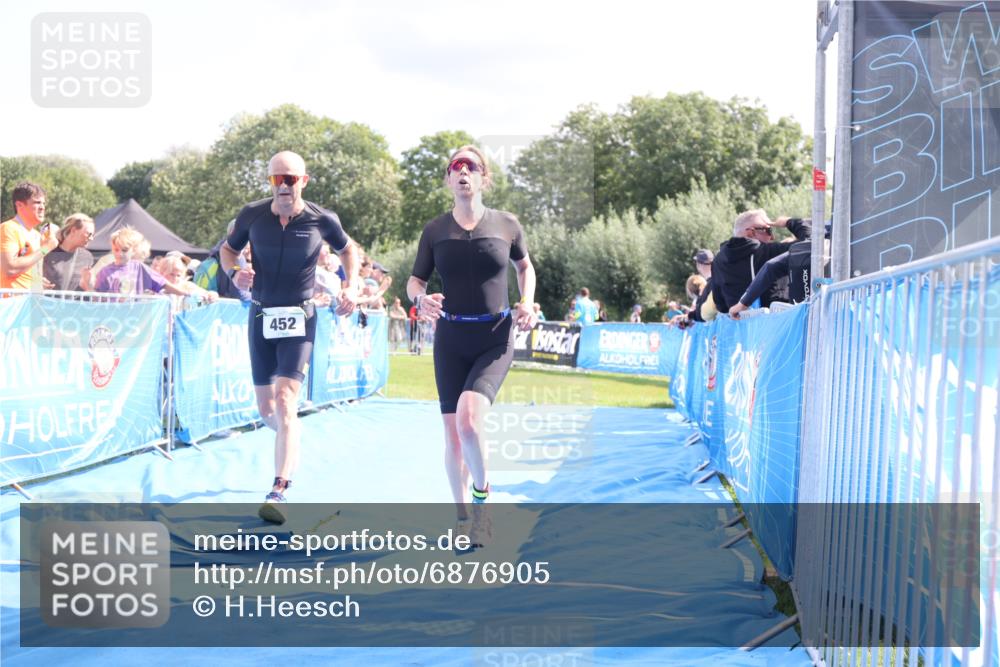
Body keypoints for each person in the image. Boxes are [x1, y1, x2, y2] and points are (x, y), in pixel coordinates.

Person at [219, 150, 360, 524]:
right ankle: (290, 431)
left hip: (300, 316)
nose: (283, 186)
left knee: (285, 399)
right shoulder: (252, 215)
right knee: (269, 410)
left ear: (304, 181)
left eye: (290, 179)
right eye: (276, 179)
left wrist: (353, 286)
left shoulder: (321, 219)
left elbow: (349, 251)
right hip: (262, 314)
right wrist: (235, 274)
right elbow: (227, 251)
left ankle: (279, 489)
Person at [406, 145, 537, 541]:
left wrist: (527, 301)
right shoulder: (435, 230)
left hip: (494, 337)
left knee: (469, 420)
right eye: (455, 167)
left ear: (484, 178)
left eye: (471, 166)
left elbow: (525, 266)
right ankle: (461, 515)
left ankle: (483, 501)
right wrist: (419, 299)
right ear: (448, 179)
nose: (463, 172)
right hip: (450, 337)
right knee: (453, 436)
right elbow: (416, 281)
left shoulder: (506, 224)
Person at [711, 210, 811, 313]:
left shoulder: (717, 262)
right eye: (769, 230)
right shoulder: (766, 252)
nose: (772, 237)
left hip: (740, 324)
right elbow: (810, 244)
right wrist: (789, 222)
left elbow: (721, 305)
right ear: (751, 232)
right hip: (776, 323)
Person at [95, 227, 218, 301]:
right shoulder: (105, 272)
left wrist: (184, 294)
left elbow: (163, 284)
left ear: (134, 249)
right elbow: (95, 296)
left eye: (124, 250)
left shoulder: (139, 268)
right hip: (112, 319)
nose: (120, 254)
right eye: (116, 249)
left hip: (134, 322)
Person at [1, 181, 58, 292]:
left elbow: (25, 270)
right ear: (19, 205)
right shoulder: (8, 228)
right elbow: (10, 269)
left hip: (30, 304)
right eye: (37, 203)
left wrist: (36, 281)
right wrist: (46, 248)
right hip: (10, 305)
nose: (42, 207)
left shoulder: (37, 235)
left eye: (43, 203)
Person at [44, 213, 96, 291]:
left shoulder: (87, 257)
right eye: (88, 234)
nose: (91, 238)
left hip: (75, 303)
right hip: (47, 302)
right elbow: (31, 273)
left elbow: (90, 288)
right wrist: (36, 281)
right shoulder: (48, 250)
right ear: (73, 230)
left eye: (92, 235)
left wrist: (89, 284)